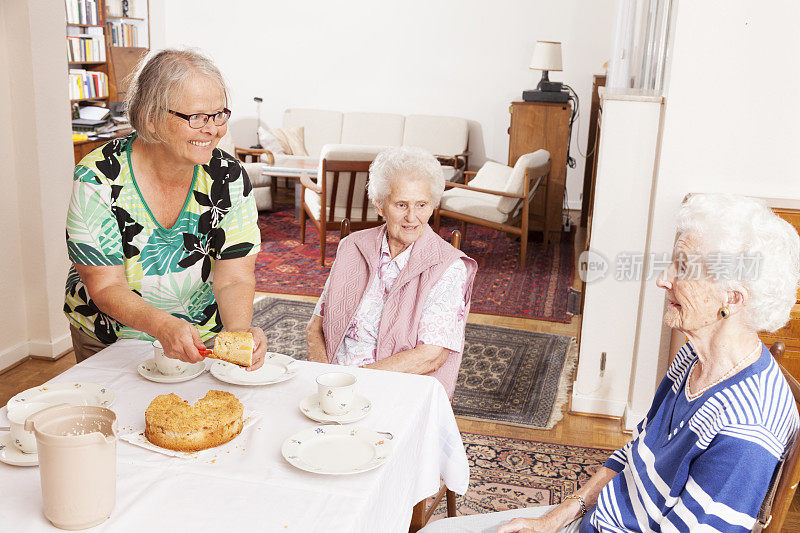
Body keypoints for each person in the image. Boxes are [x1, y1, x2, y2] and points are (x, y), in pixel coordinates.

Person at [422, 194, 800, 533]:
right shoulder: (694, 355)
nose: (662, 279)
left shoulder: (747, 428)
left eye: (682, 268)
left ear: (731, 300)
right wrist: (555, 518)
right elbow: (631, 457)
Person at [64, 48, 266, 369]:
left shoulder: (227, 175)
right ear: (151, 118)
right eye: (197, 117)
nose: (213, 129)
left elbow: (235, 276)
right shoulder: (98, 177)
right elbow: (105, 285)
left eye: (218, 114)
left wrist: (238, 335)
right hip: (111, 339)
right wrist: (162, 326)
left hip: (199, 335)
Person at [305, 147, 478, 397]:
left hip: (400, 388)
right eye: (401, 204)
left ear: (433, 206)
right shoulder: (352, 247)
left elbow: (430, 356)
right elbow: (315, 327)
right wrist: (324, 381)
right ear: (379, 205)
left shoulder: (449, 266)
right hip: (334, 383)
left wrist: (353, 384)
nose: (412, 217)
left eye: (421, 204)